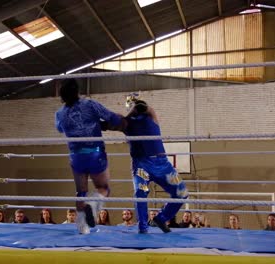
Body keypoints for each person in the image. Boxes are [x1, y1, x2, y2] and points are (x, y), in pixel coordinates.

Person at [102, 94, 188, 234]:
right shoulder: (125, 123)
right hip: (142, 164)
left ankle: (161, 218)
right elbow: (109, 124)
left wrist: (128, 115)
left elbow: (143, 107)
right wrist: (96, 123)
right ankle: (143, 227)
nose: (135, 107)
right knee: (140, 192)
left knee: (182, 192)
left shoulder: (150, 114)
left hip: (162, 163)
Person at [55, 79, 122, 234]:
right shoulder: (89, 104)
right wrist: (119, 121)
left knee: (81, 192)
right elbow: (112, 118)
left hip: (76, 156)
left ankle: (82, 227)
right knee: (103, 188)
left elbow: (59, 128)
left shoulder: (59, 113)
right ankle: (93, 204)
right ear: (77, 91)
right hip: (95, 152)